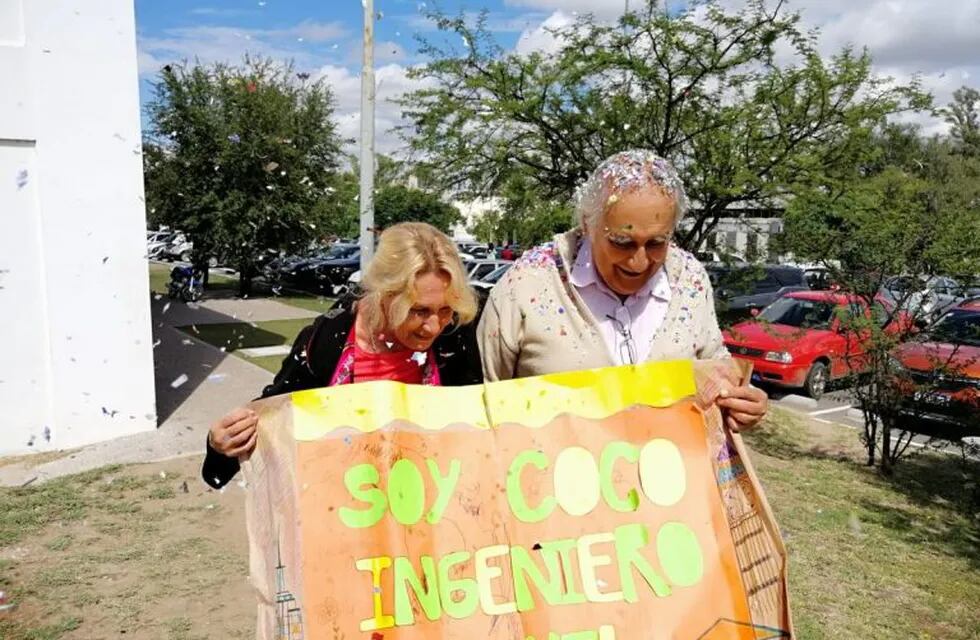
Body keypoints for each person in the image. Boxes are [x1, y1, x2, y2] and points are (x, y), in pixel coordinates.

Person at [478, 150, 767, 432]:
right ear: (587, 225)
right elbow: (485, 400)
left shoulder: (690, 279)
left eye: (656, 243)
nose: (639, 262)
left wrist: (742, 400)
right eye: (622, 242)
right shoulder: (527, 284)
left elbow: (713, 362)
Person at [203, 222, 482, 489]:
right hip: (345, 513)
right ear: (384, 294)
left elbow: (474, 424)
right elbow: (273, 421)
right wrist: (220, 449)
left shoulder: (454, 336)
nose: (433, 326)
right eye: (418, 311)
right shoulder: (327, 341)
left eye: (445, 310)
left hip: (430, 502)